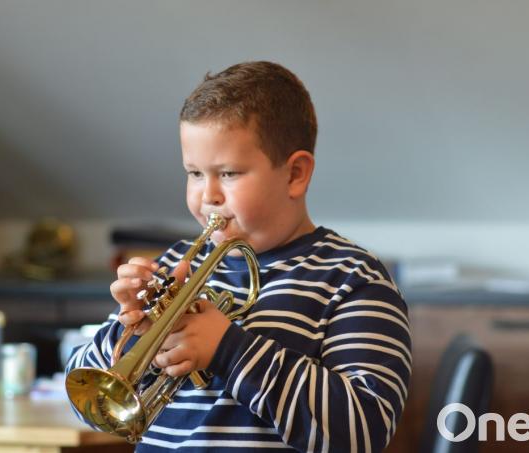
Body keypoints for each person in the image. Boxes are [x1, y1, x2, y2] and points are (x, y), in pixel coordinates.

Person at [66, 61, 411, 452]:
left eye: (228, 173)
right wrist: (132, 333)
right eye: (194, 173)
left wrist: (228, 348)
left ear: (295, 173)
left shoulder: (353, 279)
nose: (207, 195)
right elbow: (87, 398)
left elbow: (364, 432)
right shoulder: (176, 263)